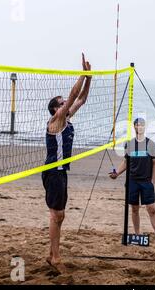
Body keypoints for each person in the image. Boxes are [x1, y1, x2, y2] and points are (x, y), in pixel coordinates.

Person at [42, 53, 92, 273]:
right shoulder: (55, 121)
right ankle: (55, 256)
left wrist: (89, 77)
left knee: (60, 215)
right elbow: (73, 94)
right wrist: (82, 73)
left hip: (61, 171)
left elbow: (81, 99)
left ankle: (52, 253)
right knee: (56, 214)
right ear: (56, 109)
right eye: (61, 103)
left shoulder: (66, 118)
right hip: (53, 171)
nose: (66, 103)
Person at [109, 118, 155, 246]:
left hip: (146, 181)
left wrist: (152, 182)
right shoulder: (129, 144)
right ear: (134, 127)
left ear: (144, 127)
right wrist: (117, 173)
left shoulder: (150, 144)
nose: (139, 127)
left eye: (142, 125)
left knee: (151, 209)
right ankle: (137, 235)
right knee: (135, 209)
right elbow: (126, 162)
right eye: (137, 125)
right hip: (132, 181)